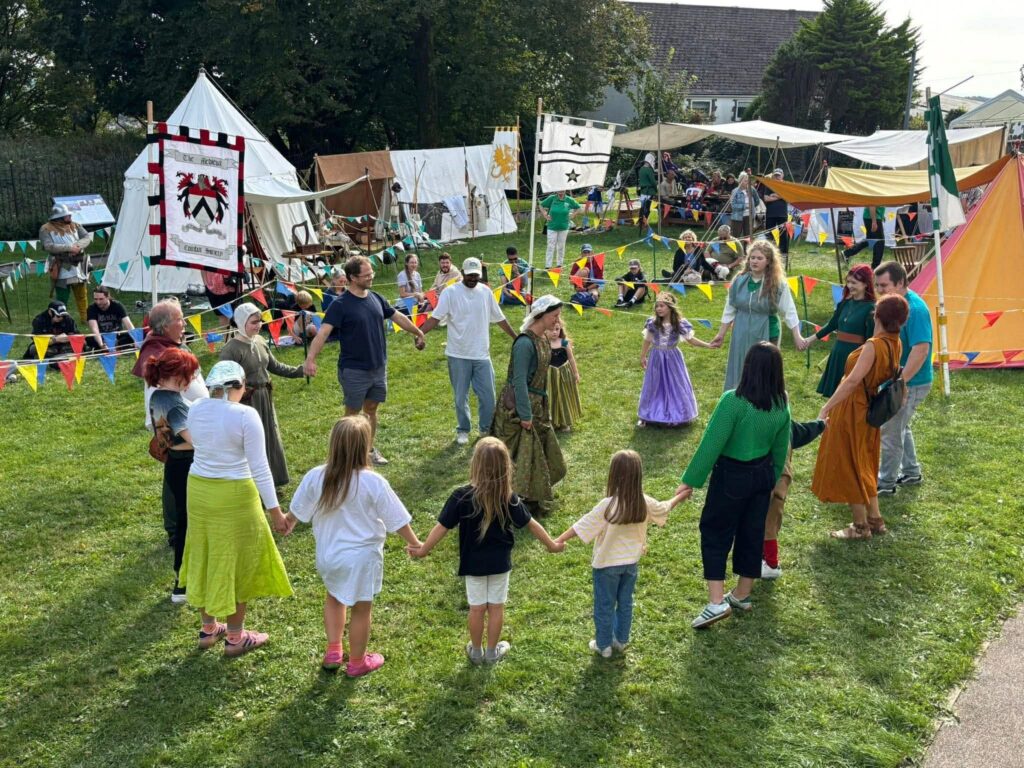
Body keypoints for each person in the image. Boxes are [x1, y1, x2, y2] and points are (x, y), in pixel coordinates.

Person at [286, 416, 422, 676]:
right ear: (365, 447)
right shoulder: (373, 482)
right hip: (362, 559)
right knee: (362, 608)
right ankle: (358, 662)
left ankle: (334, 650)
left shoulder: (317, 476)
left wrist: (287, 522)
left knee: (334, 597)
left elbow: (296, 510)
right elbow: (397, 519)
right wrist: (415, 543)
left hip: (329, 556)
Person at [408, 437, 563, 664]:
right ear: (506, 467)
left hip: (473, 564)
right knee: (496, 607)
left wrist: (423, 549)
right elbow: (531, 523)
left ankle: (477, 651)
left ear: (475, 464)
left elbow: (441, 527)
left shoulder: (460, 496)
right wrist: (551, 544)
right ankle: (492, 653)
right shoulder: (508, 498)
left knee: (477, 609)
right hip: (500, 564)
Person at [180, 360, 293, 658]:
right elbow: (260, 467)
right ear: (238, 386)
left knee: (205, 555)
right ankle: (235, 636)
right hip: (235, 494)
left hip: (200, 491)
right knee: (239, 561)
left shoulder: (195, 408)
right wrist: (276, 513)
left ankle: (208, 629)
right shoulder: (246, 414)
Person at [677, 342, 791, 629]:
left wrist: (690, 481)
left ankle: (716, 603)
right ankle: (742, 593)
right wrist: (771, 478)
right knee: (752, 532)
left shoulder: (733, 401)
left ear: (748, 368)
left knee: (715, 531)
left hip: (732, 476)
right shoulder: (781, 404)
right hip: (763, 475)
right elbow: (781, 449)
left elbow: (712, 444)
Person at [555, 450, 687, 657]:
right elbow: (665, 507)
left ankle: (603, 645)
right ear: (638, 475)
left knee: (604, 605)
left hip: (606, 566)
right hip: (630, 565)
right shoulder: (643, 502)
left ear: (614, 475)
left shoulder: (607, 506)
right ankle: (621, 640)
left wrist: (559, 540)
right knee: (625, 602)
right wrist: (682, 494)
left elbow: (582, 526)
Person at [303, 256, 427, 467]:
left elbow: (397, 317)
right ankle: (342, 456)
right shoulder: (340, 305)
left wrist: (418, 332)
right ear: (352, 277)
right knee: (351, 414)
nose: (371, 277)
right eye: (366, 275)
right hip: (354, 370)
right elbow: (323, 333)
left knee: (371, 410)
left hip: (378, 367)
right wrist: (310, 359)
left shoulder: (376, 297)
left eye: (372, 273)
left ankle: (368, 450)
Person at [811, 294, 909, 539]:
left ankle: (860, 526)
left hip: (853, 407)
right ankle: (875, 520)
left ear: (876, 315)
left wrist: (826, 408)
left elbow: (853, 381)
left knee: (850, 462)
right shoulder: (895, 342)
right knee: (864, 461)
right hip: (870, 406)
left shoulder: (873, 345)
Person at [419, 257, 517, 445]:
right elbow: (435, 317)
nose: (473, 278)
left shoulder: (486, 293)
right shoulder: (450, 292)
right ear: (462, 273)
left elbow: (500, 318)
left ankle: (485, 429)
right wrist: (419, 333)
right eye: (470, 275)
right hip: (457, 354)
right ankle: (463, 429)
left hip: (482, 354)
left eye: (476, 275)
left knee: (488, 396)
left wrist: (516, 337)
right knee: (460, 396)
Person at [490, 295, 567, 513]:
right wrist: (524, 414)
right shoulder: (524, 343)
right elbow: (519, 382)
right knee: (516, 455)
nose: (557, 321)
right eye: (554, 316)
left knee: (538, 452)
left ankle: (531, 497)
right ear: (541, 315)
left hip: (537, 405)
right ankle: (504, 500)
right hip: (518, 407)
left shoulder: (542, 339)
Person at [219, 303, 305, 486]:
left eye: (259, 321)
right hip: (246, 401)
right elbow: (223, 381)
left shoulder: (260, 341)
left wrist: (300, 371)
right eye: (253, 322)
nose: (258, 325)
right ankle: (251, 485)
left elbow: (274, 366)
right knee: (251, 442)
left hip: (265, 396)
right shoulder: (231, 349)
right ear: (241, 322)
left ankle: (273, 479)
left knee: (270, 437)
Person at [144, 347, 201, 603]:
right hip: (187, 464)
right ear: (177, 374)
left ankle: (184, 578)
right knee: (189, 524)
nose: (190, 380)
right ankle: (182, 583)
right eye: (188, 375)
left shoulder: (157, 395)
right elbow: (193, 440)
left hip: (172, 465)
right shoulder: (176, 404)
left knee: (183, 521)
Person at [709, 241, 807, 390]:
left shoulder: (777, 284)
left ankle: (763, 406)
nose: (754, 261)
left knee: (764, 370)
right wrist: (721, 334)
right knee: (741, 366)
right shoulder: (739, 281)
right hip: (741, 330)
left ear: (768, 261)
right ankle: (739, 402)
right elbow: (730, 308)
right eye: (752, 257)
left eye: (759, 258)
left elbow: (789, 310)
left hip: (766, 330)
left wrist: (797, 336)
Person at [874, 261, 933, 495]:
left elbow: (921, 350)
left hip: (913, 382)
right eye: (877, 286)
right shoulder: (893, 305)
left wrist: (901, 384)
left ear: (900, 283)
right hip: (899, 379)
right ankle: (911, 471)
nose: (880, 291)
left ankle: (886, 483)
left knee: (890, 429)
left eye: (885, 285)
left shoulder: (916, 310)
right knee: (900, 426)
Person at [760, 419, 826, 580]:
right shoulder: (785, 420)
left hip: (768, 477)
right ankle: (765, 559)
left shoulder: (759, 420)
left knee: (767, 523)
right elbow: (802, 432)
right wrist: (820, 425)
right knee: (770, 522)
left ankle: (771, 564)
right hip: (780, 477)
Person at [800, 264, 876, 397]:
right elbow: (832, 324)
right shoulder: (845, 303)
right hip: (838, 353)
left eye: (854, 282)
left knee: (849, 397)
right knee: (834, 397)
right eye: (848, 282)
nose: (850, 286)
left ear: (865, 284)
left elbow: (871, 339)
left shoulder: (871, 309)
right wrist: (810, 340)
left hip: (855, 356)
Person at [638, 292, 710, 427]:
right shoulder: (653, 323)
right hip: (656, 357)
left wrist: (708, 345)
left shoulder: (679, 324)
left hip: (672, 357)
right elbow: (647, 340)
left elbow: (691, 340)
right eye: (657, 306)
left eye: (662, 306)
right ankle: (649, 414)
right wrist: (643, 356)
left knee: (675, 383)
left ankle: (678, 413)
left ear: (670, 308)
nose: (658, 309)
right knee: (654, 384)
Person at [40, 203, 93, 322]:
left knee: (82, 294)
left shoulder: (75, 225)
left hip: (78, 265)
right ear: (59, 216)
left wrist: (78, 246)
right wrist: (69, 248)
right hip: (61, 266)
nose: (70, 217)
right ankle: (61, 319)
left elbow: (86, 237)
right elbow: (48, 246)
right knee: (62, 297)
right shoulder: (45, 229)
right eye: (67, 215)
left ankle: (86, 319)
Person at [546, 318, 581, 432]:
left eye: (557, 329)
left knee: (564, 397)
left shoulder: (564, 342)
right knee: (552, 397)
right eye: (551, 329)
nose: (555, 332)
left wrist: (575, 373)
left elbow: (571, 358)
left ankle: (565, 423)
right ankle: (552, 422)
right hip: (550, 376)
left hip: (564, 375)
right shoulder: (544, 343)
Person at [85, 287, 135, 352]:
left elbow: (128, 324)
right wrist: (101, 344)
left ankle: (116, 345)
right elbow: (94, 328)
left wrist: (136, 340)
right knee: (87, 339)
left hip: (117, 335)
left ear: (108, 297)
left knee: (132, 335)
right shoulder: (91, 308)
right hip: (101, 336)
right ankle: (116, 346)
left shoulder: (117, 305)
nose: (98, 302)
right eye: (95, 299)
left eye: (101, 299)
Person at [540, 190, 581, 268]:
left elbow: (578, 208)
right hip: (552, 227)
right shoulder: (552, 198)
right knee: (550, 246)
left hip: (564, 227)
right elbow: (541, 205)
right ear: (557, 191)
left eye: (562, 191)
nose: (561, 192)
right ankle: (548, 265)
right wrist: (545, 214)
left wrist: (573, 215)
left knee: (561, 246)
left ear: (565, 191)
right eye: (559, 191)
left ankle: (559, 264)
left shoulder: (569, 200)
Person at [759, 169, 790, 263]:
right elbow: (766, 198)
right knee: (769, 233)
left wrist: (774, 195)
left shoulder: (785, 185)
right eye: (775, 175)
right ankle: (770, 250)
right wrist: (779, 196)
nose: (777, 177)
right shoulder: (769, 185)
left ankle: (783, 252)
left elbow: (786, 196)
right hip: (770, 214)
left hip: (782, 213)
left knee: (783, 234)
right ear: (773, 176)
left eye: (778, 175)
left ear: (782, 176)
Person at [727, 172, 761, 238]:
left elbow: (757, 201)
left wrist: (752, 207)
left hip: (749, 216)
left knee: (748, 237)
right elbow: (733, 206)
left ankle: (747, 248)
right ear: (740, 181)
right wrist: (745, 206)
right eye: (745, 181)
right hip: (737, 217)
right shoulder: (735, 191)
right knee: (736, 236)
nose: (747, 182)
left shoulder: (752, 190)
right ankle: (736, 248)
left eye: (748, 180)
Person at [637, 153, 658, 226]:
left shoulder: (641, 169)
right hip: (649, 191)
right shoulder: (649, 170)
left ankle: (641, 221)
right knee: (647, 207)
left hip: (643, 190)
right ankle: (644, 222)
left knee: (642, 207)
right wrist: (656, 190)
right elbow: (653, 182)